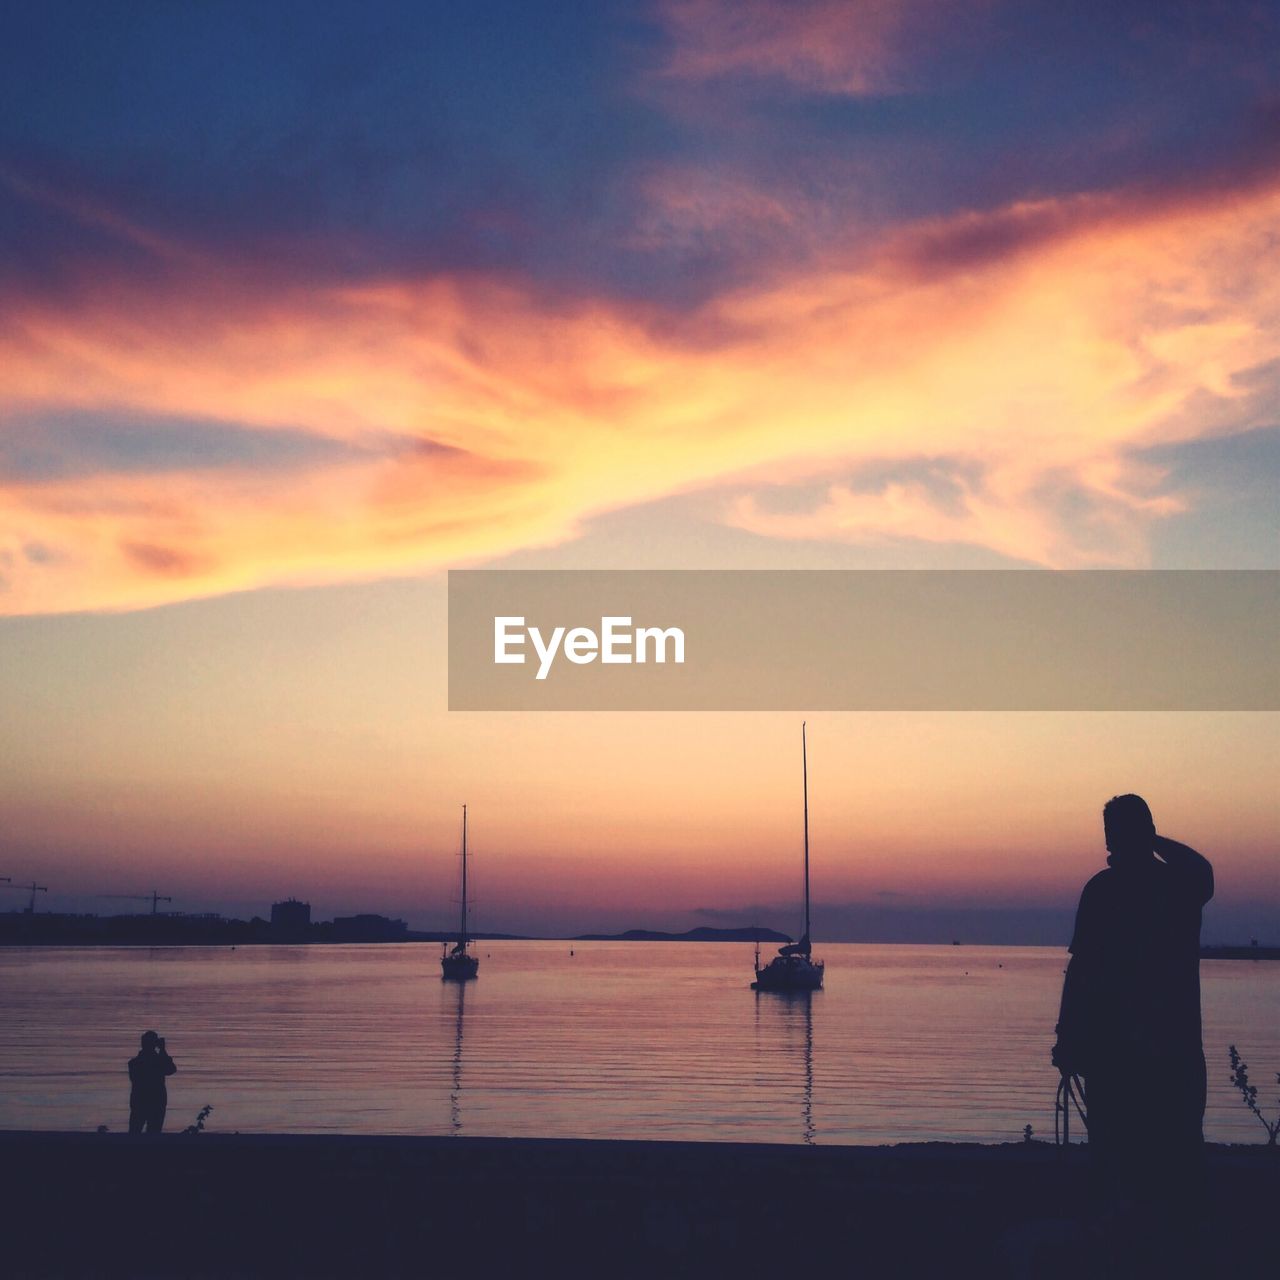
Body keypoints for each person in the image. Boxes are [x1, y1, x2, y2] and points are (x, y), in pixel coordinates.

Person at [1052, 795, 1213, 1267]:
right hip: (1133, 1054)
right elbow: (1081, 970)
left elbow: (1079, 972)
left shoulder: (1167, 885)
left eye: (1116, 832)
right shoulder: (1129, 888)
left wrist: (1069, 1036)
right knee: (1131, 1156)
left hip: (1159, 1054)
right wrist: (1067, 1036)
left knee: (1166, 1155)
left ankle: (1162, 1250)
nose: (1110, 842)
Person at [128, 1030, 177, 1134]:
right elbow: (170, 1069)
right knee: (152, 1134)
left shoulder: (134, 1063)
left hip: (140, 1101)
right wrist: (163, 1050)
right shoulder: (157, 1062)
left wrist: (162, 1052)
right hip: (155, 1102)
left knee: (134, 1133)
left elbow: (170, 1069)